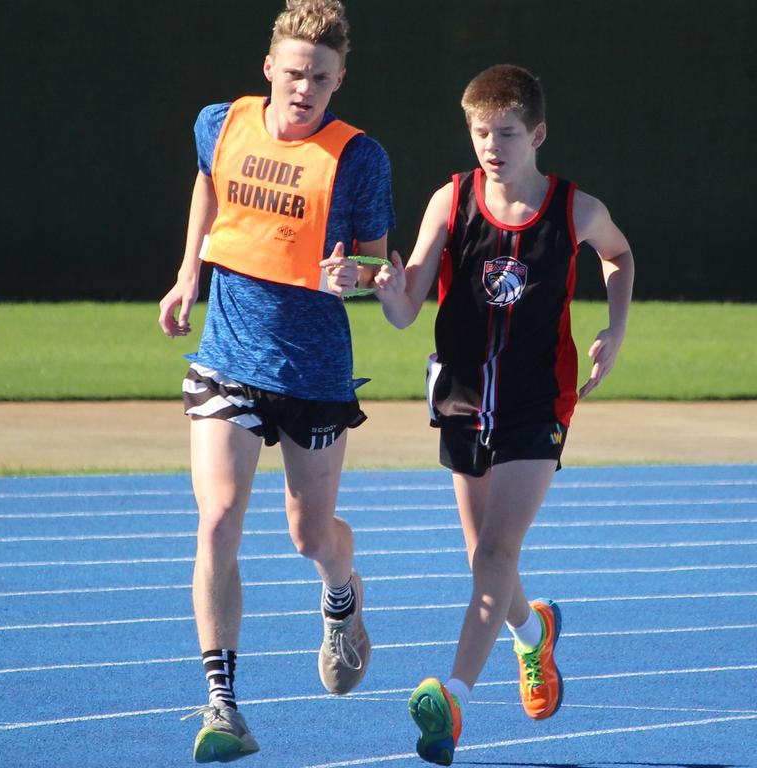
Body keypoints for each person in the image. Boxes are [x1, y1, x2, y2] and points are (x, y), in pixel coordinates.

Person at [370, 64, 634, 764]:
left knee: (494, 553)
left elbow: (619, 255)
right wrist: (384, 287)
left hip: (535, 403)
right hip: (461, 396)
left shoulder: (573, 210)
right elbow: (404, 310)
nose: (492, 145)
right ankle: (532, 635)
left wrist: (616, 325)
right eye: (480, 131)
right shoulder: (450, 201)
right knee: (485, 561)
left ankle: (453, 695)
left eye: (507, 133)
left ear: (538, 134)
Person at [158, 1, 394, 762]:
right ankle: (222, 704)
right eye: (294, 74)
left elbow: (375, 264)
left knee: (309, 537)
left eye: (320, 78)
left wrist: (352, 274)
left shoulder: (359, 158)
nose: (305, 89)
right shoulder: (220, 123)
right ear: (270, 69)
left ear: (339, 81)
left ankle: (342, 598)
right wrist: (189, 272)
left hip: (314, 370)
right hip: (228, 356)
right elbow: (207, 183)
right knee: (218, 519)